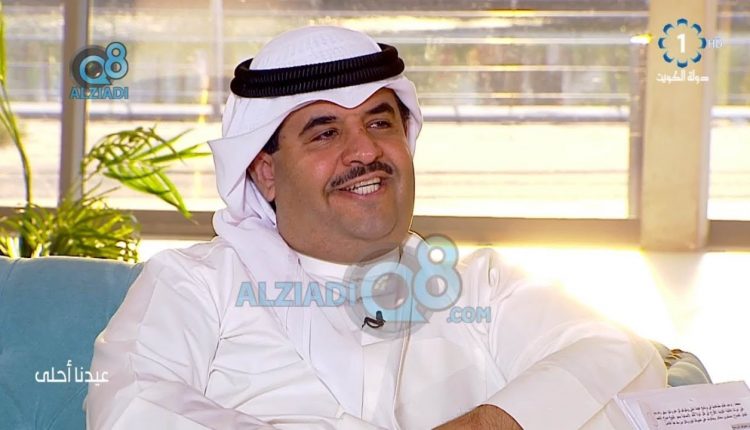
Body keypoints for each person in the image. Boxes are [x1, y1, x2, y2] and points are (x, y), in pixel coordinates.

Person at [85, 26, 666, 429]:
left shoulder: (481, 284)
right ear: (265, 171)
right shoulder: (194, 283)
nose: (365, 151)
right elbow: (132, 404)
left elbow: (619, 356)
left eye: (380, 123)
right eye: (325, 132)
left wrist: (489, 424)